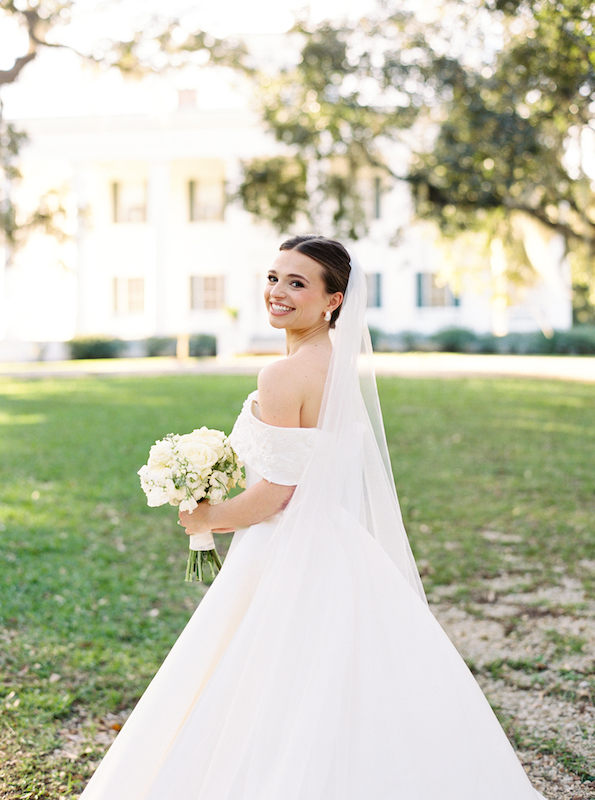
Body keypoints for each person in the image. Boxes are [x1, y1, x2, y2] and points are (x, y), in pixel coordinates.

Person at [79, 235, 546, 799]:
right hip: (339, 545)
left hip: (285, 547)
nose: (278, 292)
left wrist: (208, 517)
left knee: (269, 678)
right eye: (274, 278)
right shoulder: (335, 365)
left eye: (297, 283)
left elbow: (278, 493)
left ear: (334, 301)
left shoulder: (282, 376)